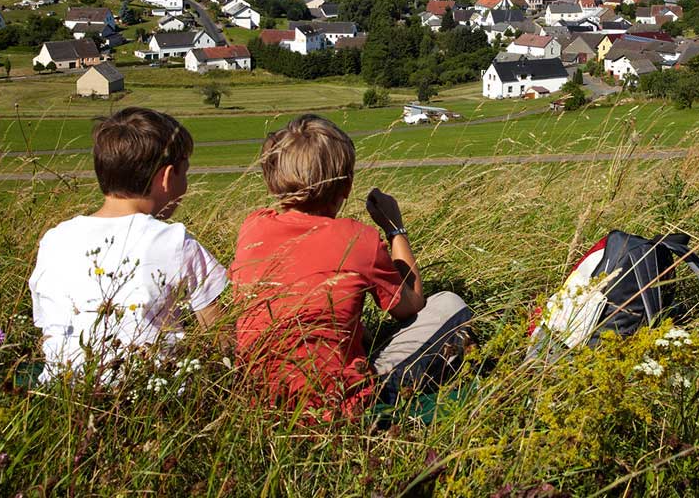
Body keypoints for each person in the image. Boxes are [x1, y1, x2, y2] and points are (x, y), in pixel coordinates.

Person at [231, 114, 473, 416]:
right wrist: (394, 227)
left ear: (273, 179)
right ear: (346, 186)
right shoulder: (358, 239)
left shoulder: (252, 228)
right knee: (450, 304)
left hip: (259, 401)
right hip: (337, 405)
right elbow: (411, 304)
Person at [28, 107, 227, 382]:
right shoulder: (176, 242)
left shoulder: (54, 239)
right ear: (167, 178)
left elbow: (49, 332)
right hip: (151, 401)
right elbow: (221, 334)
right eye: (185, 174)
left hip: (62, 396)